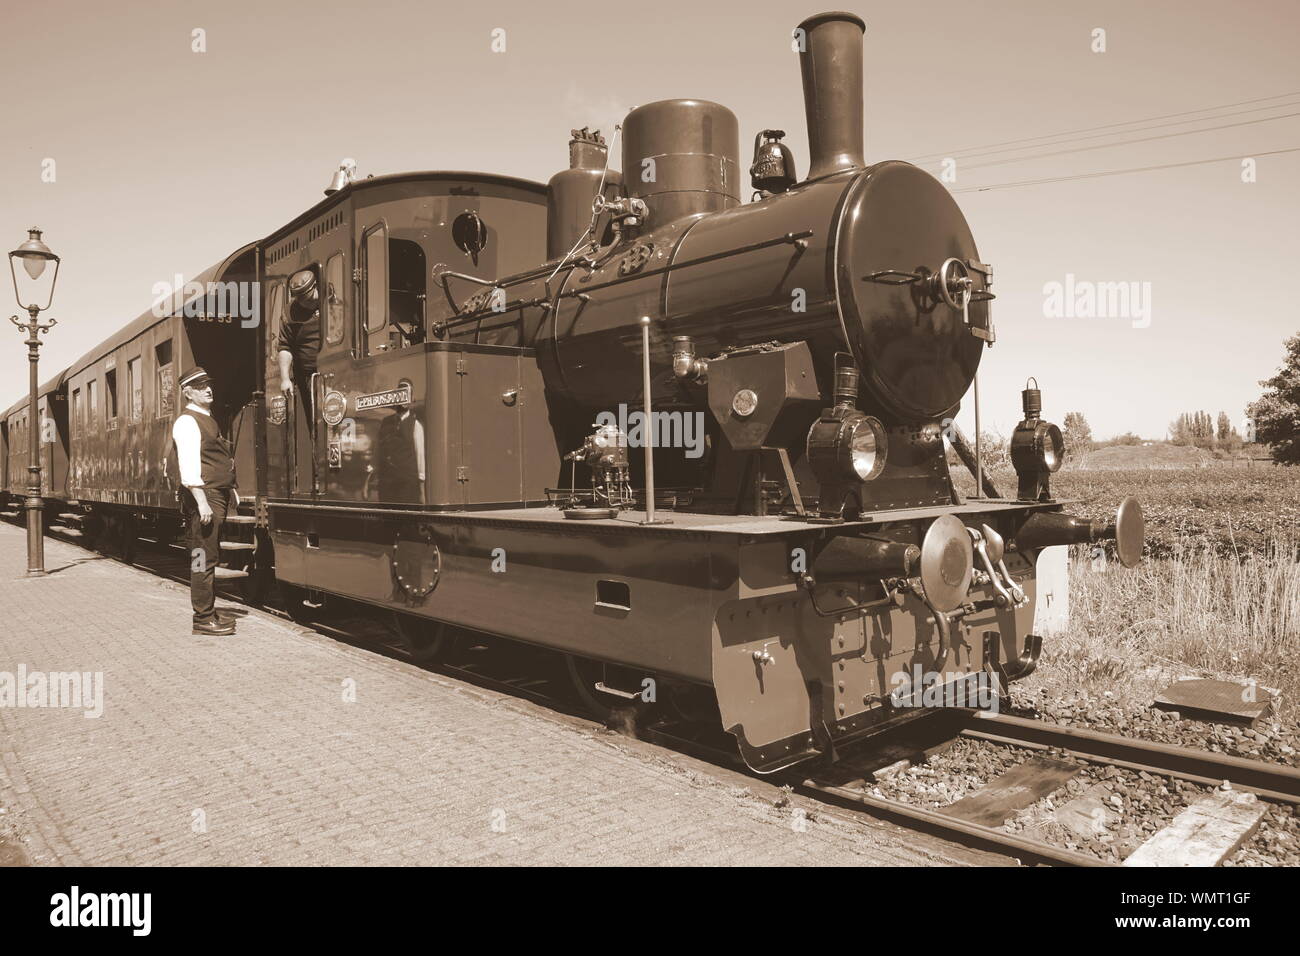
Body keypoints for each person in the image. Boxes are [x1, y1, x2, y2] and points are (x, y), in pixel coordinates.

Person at [172, 366, 238, 636]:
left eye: (208, 384)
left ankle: (208, 612)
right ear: (188, 392)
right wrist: (201, 501)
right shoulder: (187, 421)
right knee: (202, 559)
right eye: (200, 386)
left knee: (209, 557)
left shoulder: (206, 418)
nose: (208, 389)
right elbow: (188, 465)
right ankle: (202, 619)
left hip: (214, 495)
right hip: (205, 497)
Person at [277, 268, 322, 427]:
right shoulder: (290, 313)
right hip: (309, 376)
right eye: (302, 301)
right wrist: (285, 378)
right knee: (315, 420)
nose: (307, 304)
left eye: (309, 299)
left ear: (316, 286)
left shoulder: (333, 297)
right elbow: (284, 347)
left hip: (337, 369)